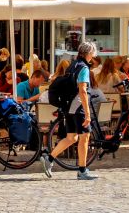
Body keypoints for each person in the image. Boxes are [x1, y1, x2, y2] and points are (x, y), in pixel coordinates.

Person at [42, 40, 99, 181]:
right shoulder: (84, 68)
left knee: (71, 137)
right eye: (93, 53)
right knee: (84, 138)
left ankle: (49, 158)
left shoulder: (72, 65)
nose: (93, 55)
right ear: (89, 53)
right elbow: (83, 91)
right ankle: (82, 171)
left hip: (68, 106)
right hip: (78, 107)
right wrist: (87, 114)